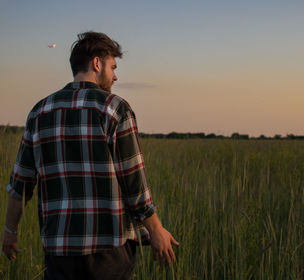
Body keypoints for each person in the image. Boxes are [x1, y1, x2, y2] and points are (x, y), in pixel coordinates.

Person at [2, 31, 178, 280]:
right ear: (97, 63)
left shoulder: (39, 112)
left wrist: (10, 231)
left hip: (59, 251)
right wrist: (157, 230)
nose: (115, 76)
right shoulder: (115, 108)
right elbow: (134, 184)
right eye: (113, 67)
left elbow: (20, 185)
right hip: (108, 250)